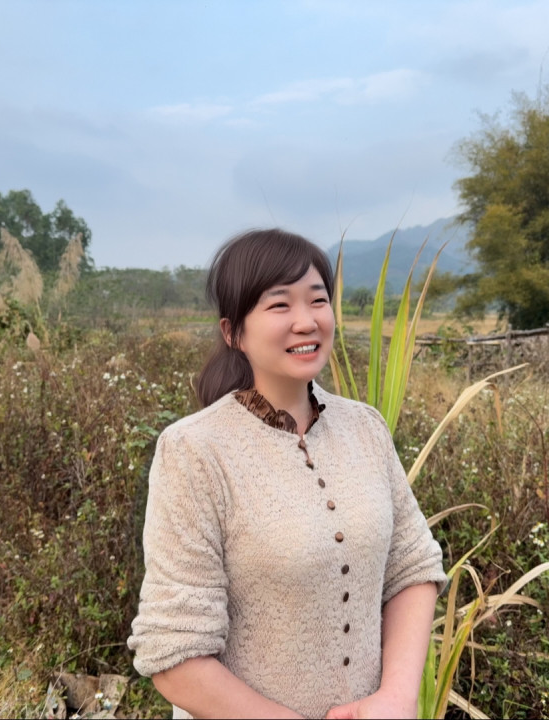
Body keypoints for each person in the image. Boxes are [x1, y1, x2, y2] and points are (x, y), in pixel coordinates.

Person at [127, 228, 447, 719]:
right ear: (233, 332)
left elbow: (413, 566)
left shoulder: (365, 428)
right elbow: (174, 654)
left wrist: (397, 698)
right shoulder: (194, 451)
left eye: (318, 300)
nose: (306, 321)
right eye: (279, 305)